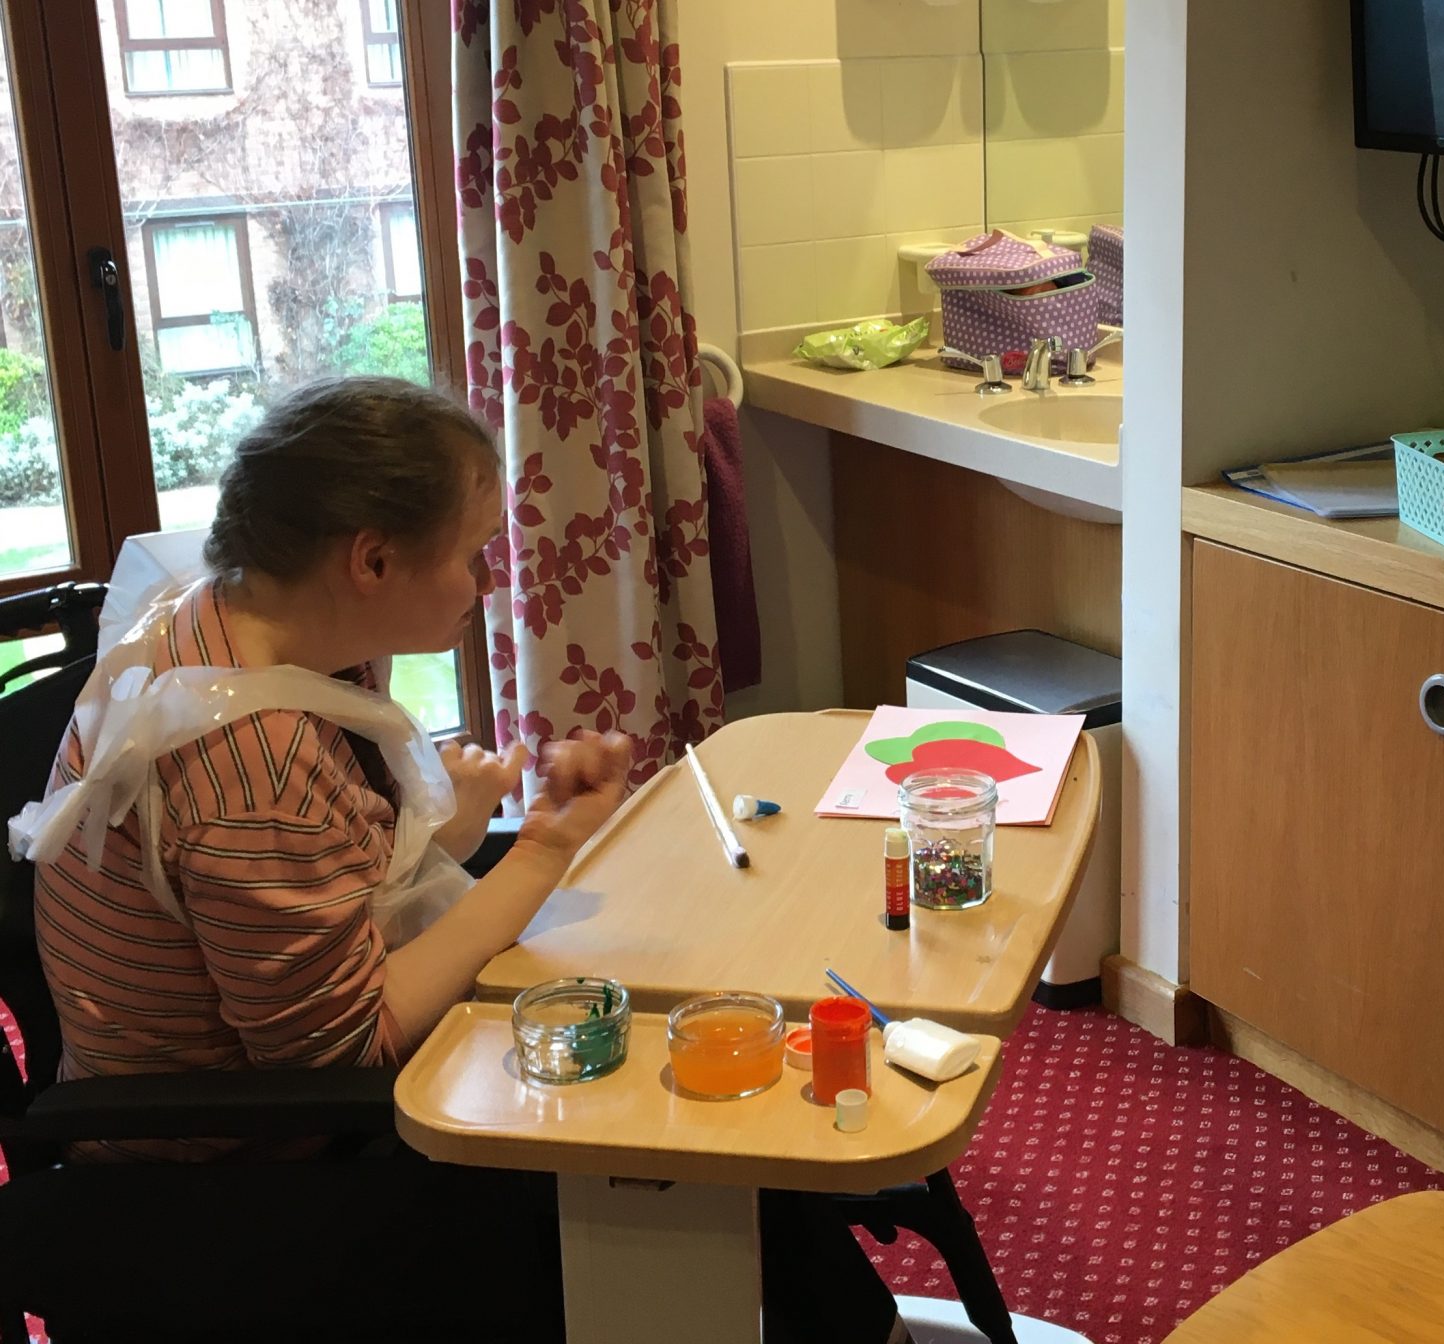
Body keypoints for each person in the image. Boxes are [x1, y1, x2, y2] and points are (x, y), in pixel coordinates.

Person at [16, 377, 914, 1343]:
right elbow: (346, 1046)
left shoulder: (217, 625)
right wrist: (540, 849)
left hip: (250, 1097)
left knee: (684, 1108)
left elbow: (323, 889)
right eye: (472, 552)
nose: (486, 583)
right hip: (233, 1180)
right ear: (372, 559)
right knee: (676, 1151)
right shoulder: (250, 768)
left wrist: (445, 828)